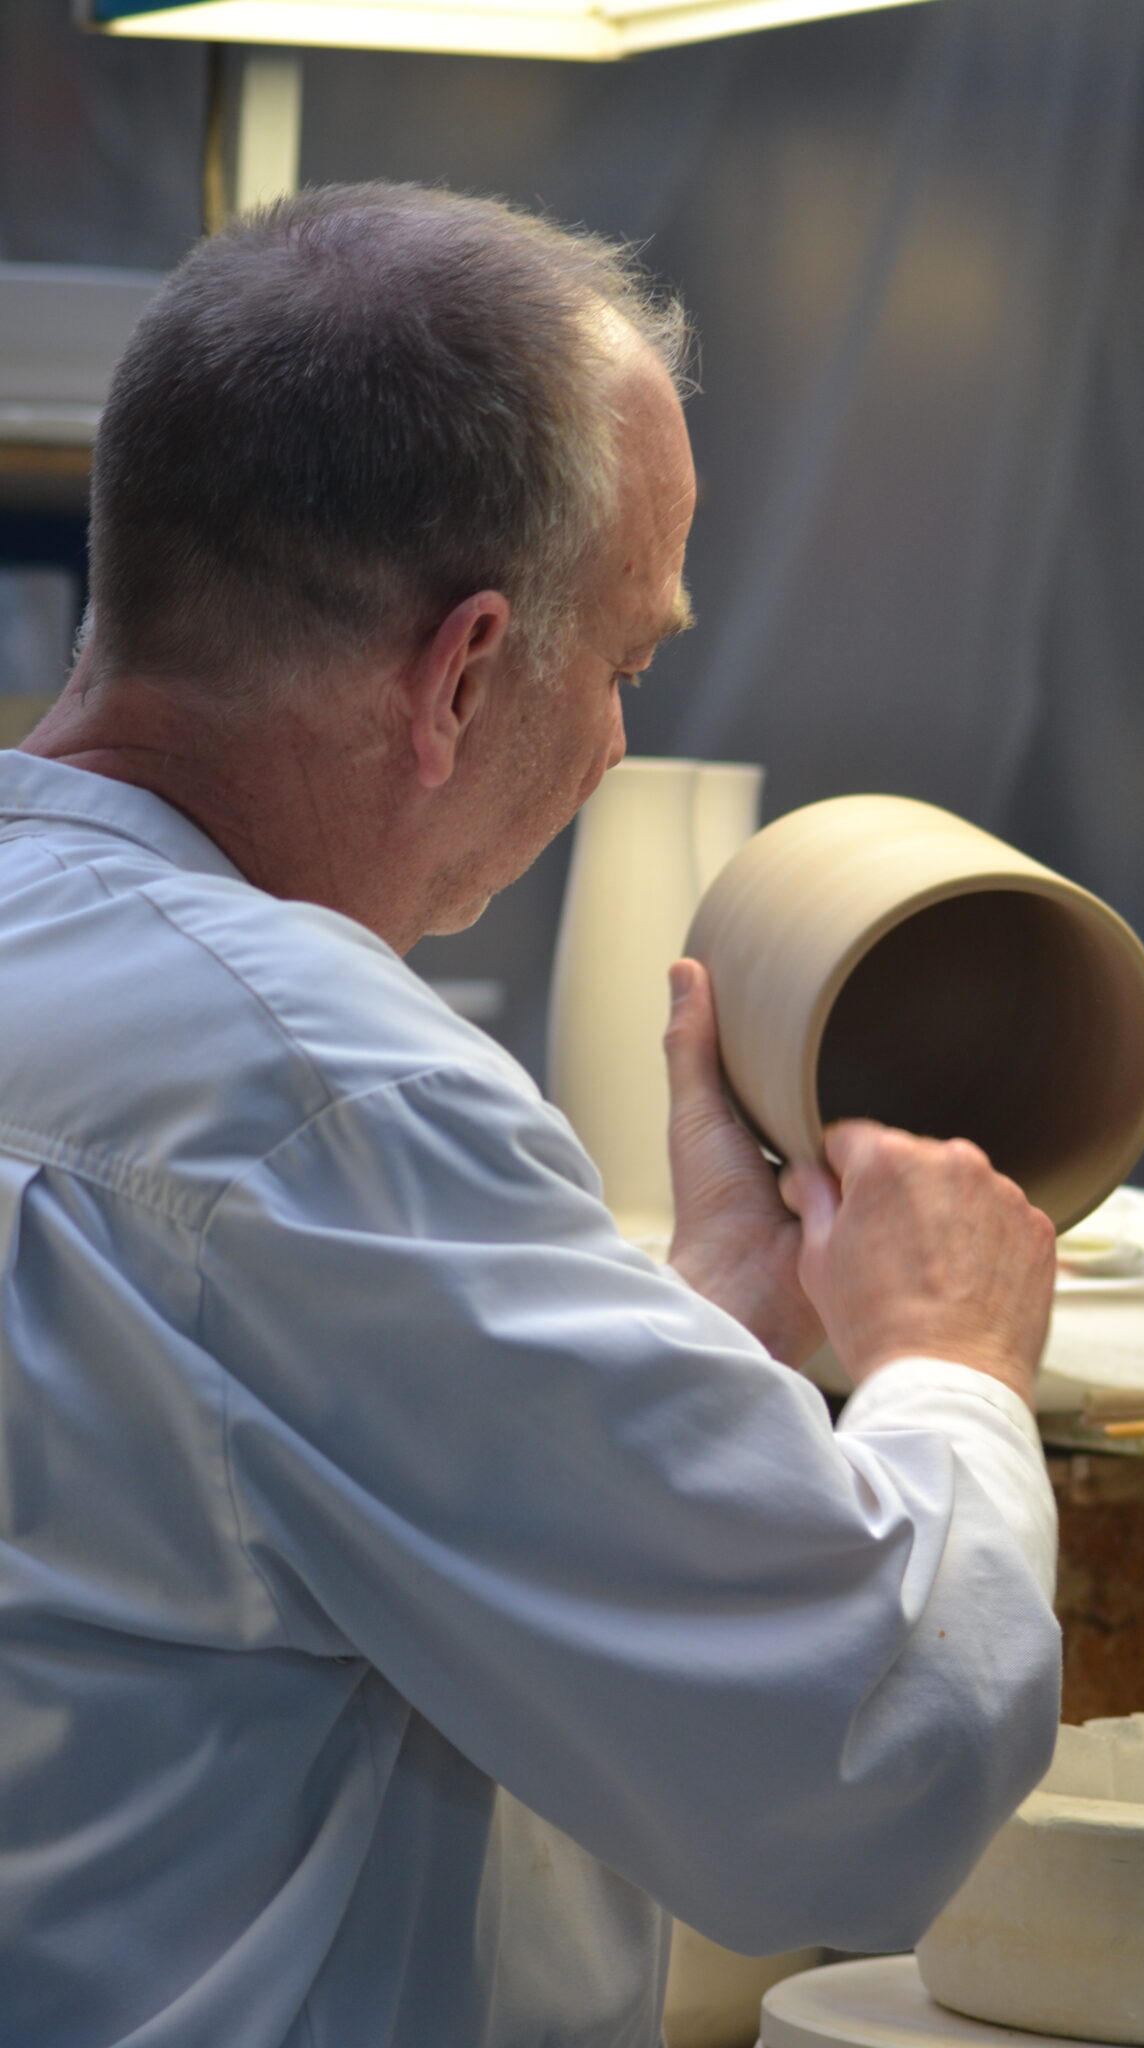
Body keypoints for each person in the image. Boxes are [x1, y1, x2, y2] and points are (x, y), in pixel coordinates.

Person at [0, 185, 1061, 2048]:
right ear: (465, 670)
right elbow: (862, 1757)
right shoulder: (323, 1097)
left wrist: (689, 1341)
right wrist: (946, 1361)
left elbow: (281, 1474)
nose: (615, 745)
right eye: (625, 663)